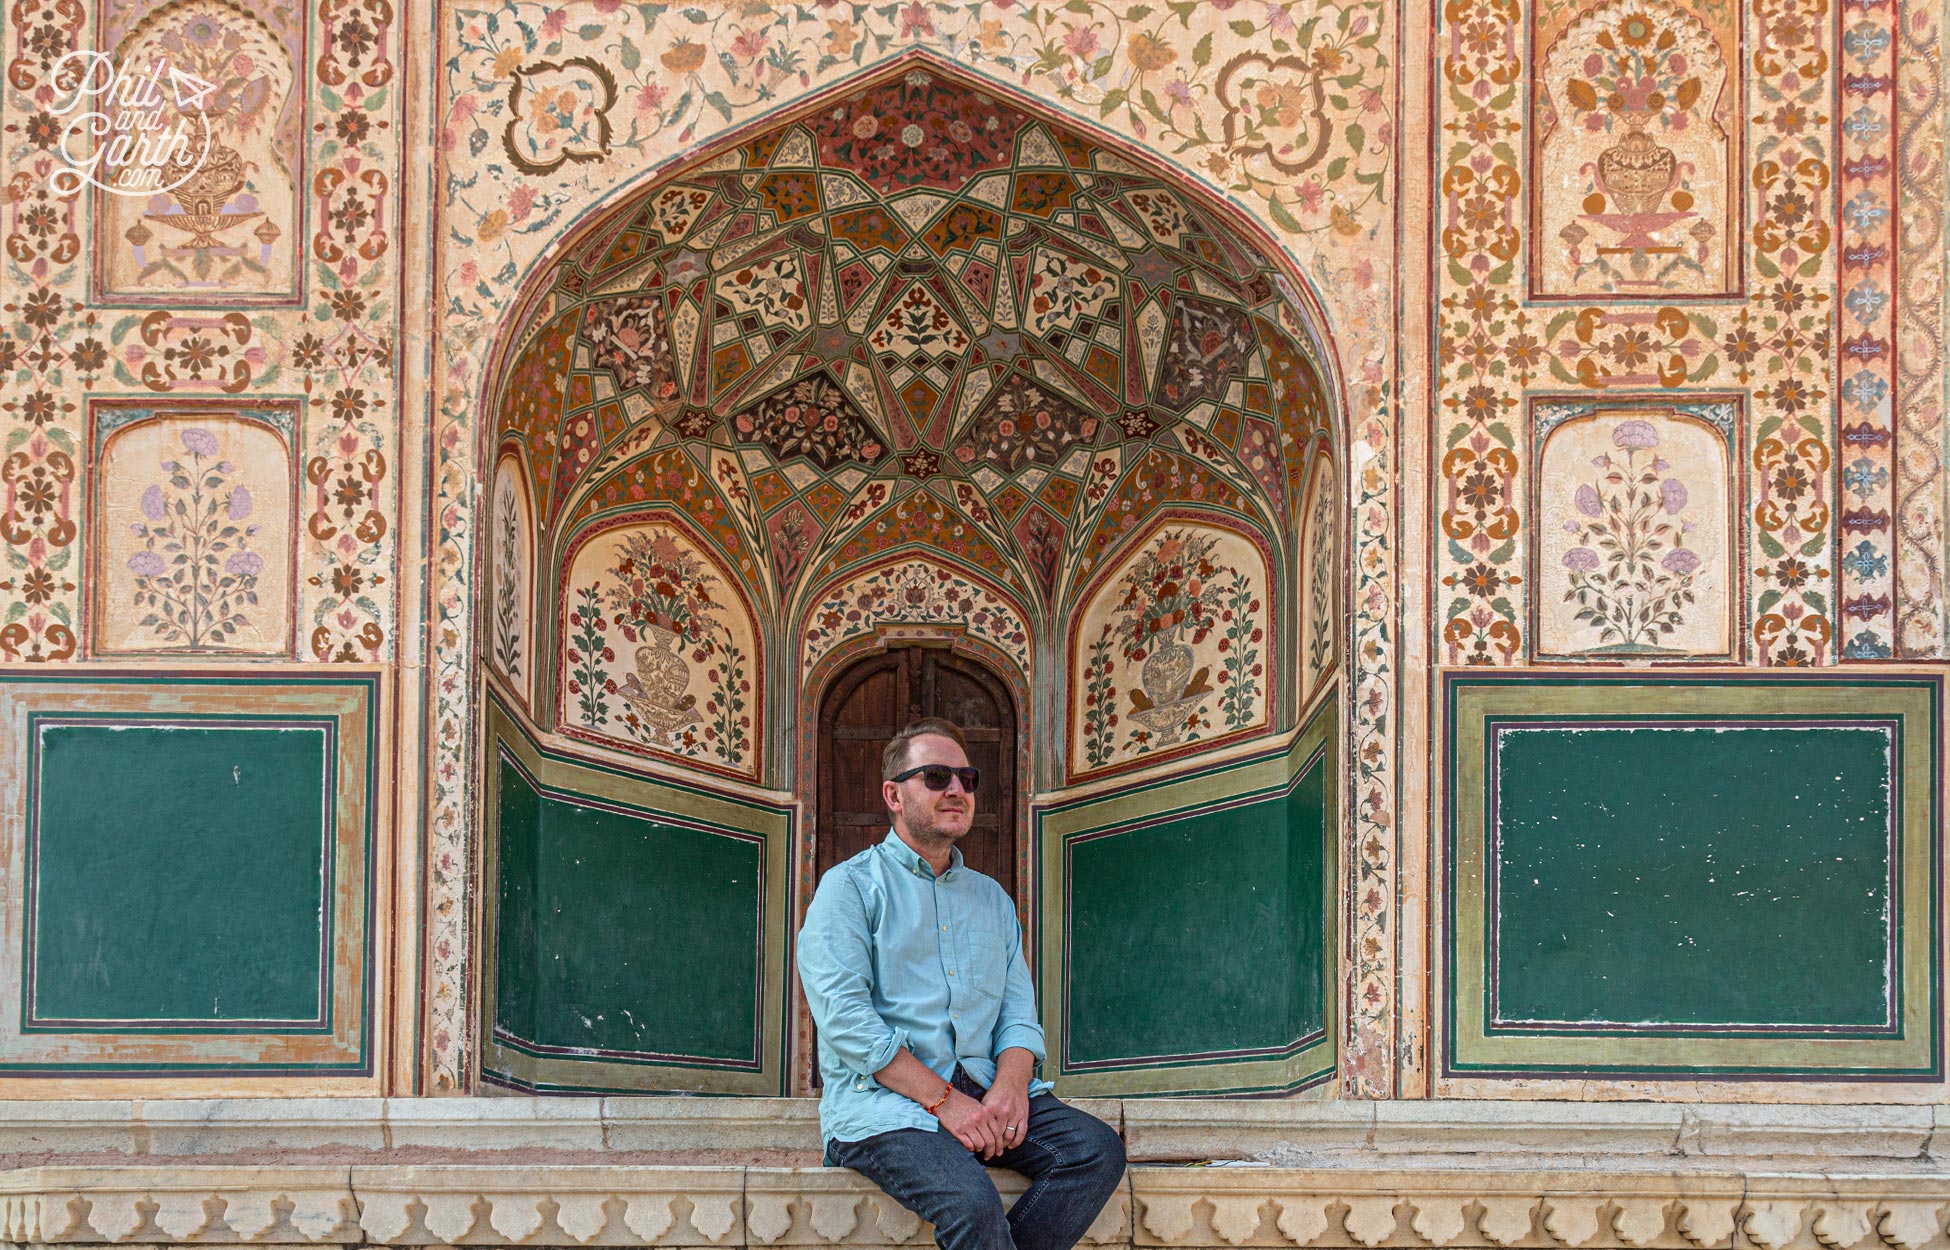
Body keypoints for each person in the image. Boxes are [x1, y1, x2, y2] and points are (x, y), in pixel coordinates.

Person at [797, 716, 1126, 1250]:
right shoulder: (850, 888)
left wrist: (1011, 1085)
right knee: (973, 1206)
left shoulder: (992, 899)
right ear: (894, 795)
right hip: (885, 1102)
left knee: (1094, 1153)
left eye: (966, 779)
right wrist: (944, 1101)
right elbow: (844, 1020)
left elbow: (1018, 1014)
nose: (956, 790)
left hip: (982, 1086)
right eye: (935, 777)